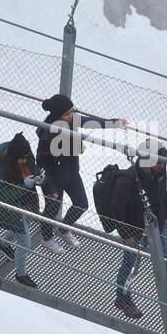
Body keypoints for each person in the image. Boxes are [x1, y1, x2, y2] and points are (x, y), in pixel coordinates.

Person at [110, 141, 167, 320]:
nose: (162, 166)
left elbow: (162, 193)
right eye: (159, 162)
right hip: (135, 229)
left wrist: (165, 214)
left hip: (158, 224)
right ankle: (122, 298)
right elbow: (116, 210)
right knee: (131, 265)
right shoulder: (129, 179)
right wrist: (127, 235)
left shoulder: (160, 170)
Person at [35, 93, 127, 254]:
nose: (72, 116)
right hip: (54, 179)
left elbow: (93, 122)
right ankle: (47, 238)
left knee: (81, 204)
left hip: (71, 172)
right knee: (52, 209)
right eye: (67, 114)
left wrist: (115, 123)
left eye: (72, 112)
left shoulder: (72, 120)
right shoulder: (47, 134)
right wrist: (49, 188)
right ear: (58, 115)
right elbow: (41, 163)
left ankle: (64, 229)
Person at [0, 133, 44, 288]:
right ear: (12, 157)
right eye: (21, 159)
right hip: (12, 204)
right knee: (25, 242)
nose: (24, 161)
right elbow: (7, 196)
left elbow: (33, 168)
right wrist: (25, 185)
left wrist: (39, 177)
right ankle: (20, 274)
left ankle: (2, 244)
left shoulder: (25, 155)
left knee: (23, 223)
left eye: (26, 158)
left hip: (26, 200)